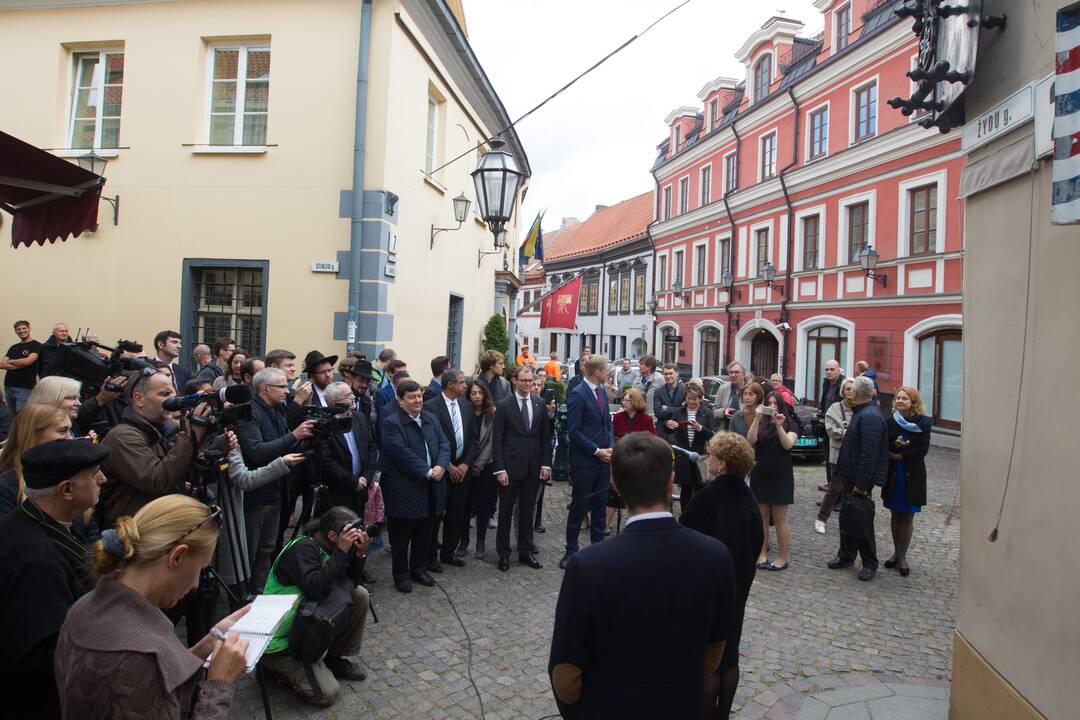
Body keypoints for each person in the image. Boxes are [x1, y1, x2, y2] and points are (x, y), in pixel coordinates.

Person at [549, 432, 736, 720]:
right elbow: (716, 647)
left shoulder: (588, 565)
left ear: (615, 486)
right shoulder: (716, 556)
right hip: (684, 705)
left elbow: (565, 671)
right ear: (671, 481)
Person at [55, 495, 252, 719]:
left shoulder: (84, 609)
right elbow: (148, 673)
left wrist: (207, 644)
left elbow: (157, 684)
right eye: (200, 568)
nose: (196, 584)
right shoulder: (138, 659)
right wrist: (219, 684)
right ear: (177, 556)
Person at [0, 439, 109, 719]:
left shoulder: (28, 523)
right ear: (67, 490)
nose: (102, 479)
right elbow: (43, 658)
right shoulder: (37, 561)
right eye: (94, 473)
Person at [681, 432, 764, 719]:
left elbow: (685, 537)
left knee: (709, 659)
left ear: (724, 463)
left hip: (708, 587)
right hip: (738, 584)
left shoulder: (707, 497)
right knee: (730, 656)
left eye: (713, 455)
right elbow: (757, 542)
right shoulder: (749, 496)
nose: (709, 459)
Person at [260, 506, 372, 707]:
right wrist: (342, 552)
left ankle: (334, 660)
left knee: (359, 595)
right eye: (350, 534)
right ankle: (273, 668)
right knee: (328, 693)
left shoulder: (334, 546)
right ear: (331, 535)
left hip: (304, 625)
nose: (354, 539)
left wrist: (359, 555)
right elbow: (316, 589)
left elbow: (349, 585)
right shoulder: (303, 548)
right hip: (280, 641)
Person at [236, 368, 315, 591]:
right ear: (265, 388)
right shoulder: (249, 412)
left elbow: (284, 443)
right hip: (257, 492)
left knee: (267, 548)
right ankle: (242, 596)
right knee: (250, 551)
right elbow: (257, 452)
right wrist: (295, 435)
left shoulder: (277, 410)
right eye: (282, 386)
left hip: (277, 489)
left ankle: (260, 593)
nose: (287, 391)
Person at [99, 371, 204, 526]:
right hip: (133, 535)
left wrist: (209, 443)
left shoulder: (159, 432)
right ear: (139, 399)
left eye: (174, 393)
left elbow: (183, 472)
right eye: (164, 394)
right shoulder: (122, 436)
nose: (173, 399)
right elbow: (157, 481)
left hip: (157, 527)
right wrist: (189, 438)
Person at [215, 428, 305, 601]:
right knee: (245, 559)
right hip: (244, 506)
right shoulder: (230, 434)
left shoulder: (229, 436)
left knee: (265, 551)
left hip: (271, 494)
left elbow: (241, 476)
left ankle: (259, 599)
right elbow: (247, 473)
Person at [380, 379, 450, 593]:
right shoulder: (392, 423)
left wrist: (441, 466)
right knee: (402, 538)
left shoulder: (430, 418)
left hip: (432, 489)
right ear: (400, 401)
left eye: (419, 396)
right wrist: (428, 471)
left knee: (425, 534)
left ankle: (419, 569)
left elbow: (444, 444)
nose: (417, 400)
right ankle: (401, 575)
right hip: (405, 489)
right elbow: (400, 454)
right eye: (411, 397)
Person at [827, 376, 888, 581]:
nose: (849, 392)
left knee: (861, 521)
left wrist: (862, 485)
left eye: (851, 390)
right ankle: (846, 555)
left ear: (855, 393)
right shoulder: (862, 412)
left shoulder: (869, 416)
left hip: (859, 481)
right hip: (849, 476)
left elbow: (869, 454)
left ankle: (869, 562)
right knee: (847, 517)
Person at [492, 365, 552, 572]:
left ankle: (525, 551)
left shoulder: (539, 403)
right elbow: (497, 440)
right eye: (523, 380)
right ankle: (503, 553)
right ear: (515, 381)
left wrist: (546, 464)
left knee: (528, 511)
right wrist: (499, 469)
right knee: (506, 513)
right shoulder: (504, 405)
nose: (527, 384)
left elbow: (545, 437)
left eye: (530, 381)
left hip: (533, 468)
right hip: (509, 468)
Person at [560, 355, 613, 569]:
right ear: (597, 371)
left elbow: (607, 423)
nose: (608, 372)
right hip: (585, 462)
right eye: (606, 369)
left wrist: (609, 446)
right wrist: (596, 451)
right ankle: (571, 551)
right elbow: (574, 431)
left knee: (600, 506)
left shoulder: (601, 392)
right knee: (579, 506)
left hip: (603, 461)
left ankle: (597, 549)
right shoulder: (578, 394)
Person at [424, 369, 476, 568]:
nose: (465, 386)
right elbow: (430, 442)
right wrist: (447, 466)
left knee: (456, 513)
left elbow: (474, 439)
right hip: (440, 470)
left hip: (462, 471)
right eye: (462, 383)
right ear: (450, 385)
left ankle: (449, 552)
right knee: (435, 515)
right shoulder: (430, 407)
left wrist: (464, 464)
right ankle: (430, 556)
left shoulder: (467, 407)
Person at [746, 391, 799, 572]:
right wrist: (756, 418)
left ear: (781, 406)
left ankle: (783, 557)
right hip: (760, 474)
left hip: (780, 476)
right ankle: (761, 553)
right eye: (769, 403)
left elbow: (788, 444)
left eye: (775, 403)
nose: (772, 407)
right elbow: (750, 439)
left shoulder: (790, 424)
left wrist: (778, 426)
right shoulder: (760, 423)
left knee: (779, 519)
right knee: (761, 517)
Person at [882, 386, 932, 577]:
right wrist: (895, 446)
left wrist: (900, 455)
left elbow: (922, 450)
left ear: (913, 402)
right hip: (894, 475)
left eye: (905, 398)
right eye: (899, 398)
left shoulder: (923, 424)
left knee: (908, 516)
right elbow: (884, 445)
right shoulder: (890, 422)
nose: (901, 401)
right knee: (895, 514)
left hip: (912, 474)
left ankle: (903, 556)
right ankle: (896, 552)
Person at [318, 381, 374, 513]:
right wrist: (353, 482)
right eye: (348, 395)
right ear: (334, 401)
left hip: (361, 488)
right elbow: (326, 459)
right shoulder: (324, 424)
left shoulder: (359, 418)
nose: (353, 397)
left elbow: (371, 447)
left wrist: (366, 477)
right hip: (337, 492)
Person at [608, 387, 655, 532]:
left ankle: (636, 523)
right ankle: (606, 524)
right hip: (619, 458)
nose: (623, 402)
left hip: (638, 460)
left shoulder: (646, 419)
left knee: (636, 493)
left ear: (634, 401)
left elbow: (652, 439)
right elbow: (612, 435)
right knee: (613, 491)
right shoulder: (618, 417)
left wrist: (634, 442)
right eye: (623, 399)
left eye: (626, 399)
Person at [665, 381, 715, 513]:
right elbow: (669, 432)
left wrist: (700, 428)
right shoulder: (679, 412)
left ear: (700, 399)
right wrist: (668, 424)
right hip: (683, 455)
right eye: (689, 399)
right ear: (685, 399)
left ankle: (700, 516)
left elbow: (712, 435)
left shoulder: (708, 412)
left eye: (695, 399)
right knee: (686, 490)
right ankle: (685, 516)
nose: (692, 402)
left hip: (701, 456)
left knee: (701, 488)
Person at [460, 379, 496, 559]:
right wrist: (467, 463)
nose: (476, 396)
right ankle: (463, 539)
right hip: (464, 465)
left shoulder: (491, 413)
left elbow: (491, 443)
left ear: (485, 394)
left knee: (483, 504)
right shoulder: (464, 411)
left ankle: (480, 540)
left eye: (479, 393)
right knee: (465, 504)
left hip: (485, 466)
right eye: (473, 393)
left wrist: (478, 465)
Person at [817, 378, 856, 534]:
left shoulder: (861, 409)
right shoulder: (835, 408)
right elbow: (831, 429)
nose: (851, 392)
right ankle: (821, 518)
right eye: (848, 389)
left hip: (855, 455)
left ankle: (850, 520)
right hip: (838, 453)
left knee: (852, 490)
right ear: (843, 391)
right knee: (835, 487)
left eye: (853, 389)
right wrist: (847, 433)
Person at [530, 372, 558, 535]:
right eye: (534, 384)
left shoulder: (546, 403)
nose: (536, 388)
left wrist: (550, 413)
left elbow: (551, 428)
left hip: (543, 449)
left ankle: (537, 520)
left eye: (539, 385)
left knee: (540, 489)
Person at [2, 320, 43, 412]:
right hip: (9, 387)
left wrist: (11, 361)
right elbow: (2, 364)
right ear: (16, 331)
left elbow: (27, 362)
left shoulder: (37, 346)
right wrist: (21, 363)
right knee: (11, 418)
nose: (21, 331)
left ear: (29, 329)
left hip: (25, 388)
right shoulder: (14, 347)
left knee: (22, 417)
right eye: (18, 329)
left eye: (24, 328)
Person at [654, 362, 685, 438]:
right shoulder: (658, 391)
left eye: (671, 373)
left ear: (677, 374)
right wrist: (666, 421)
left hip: (680, 431)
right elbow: (658, 413)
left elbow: (685, 411)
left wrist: (667, 408)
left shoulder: (685, 390)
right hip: (662, 432)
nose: (668, 376)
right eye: (665, 374)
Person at [713, 361, 747, 430]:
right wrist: (724, 412)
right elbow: (714, 411)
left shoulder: (749, 389)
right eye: (731, 372)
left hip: (743, 431)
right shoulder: (723, 389)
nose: (733, 375)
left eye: (736, 372)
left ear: (743, 375)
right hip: (725, 430)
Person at [635, 354, 664, 419]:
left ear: (650, 366)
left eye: (642, 364)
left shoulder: (659, 379)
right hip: (639, 416)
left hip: (654, 417)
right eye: (639, 364)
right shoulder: (637, 380)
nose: (639, 366)